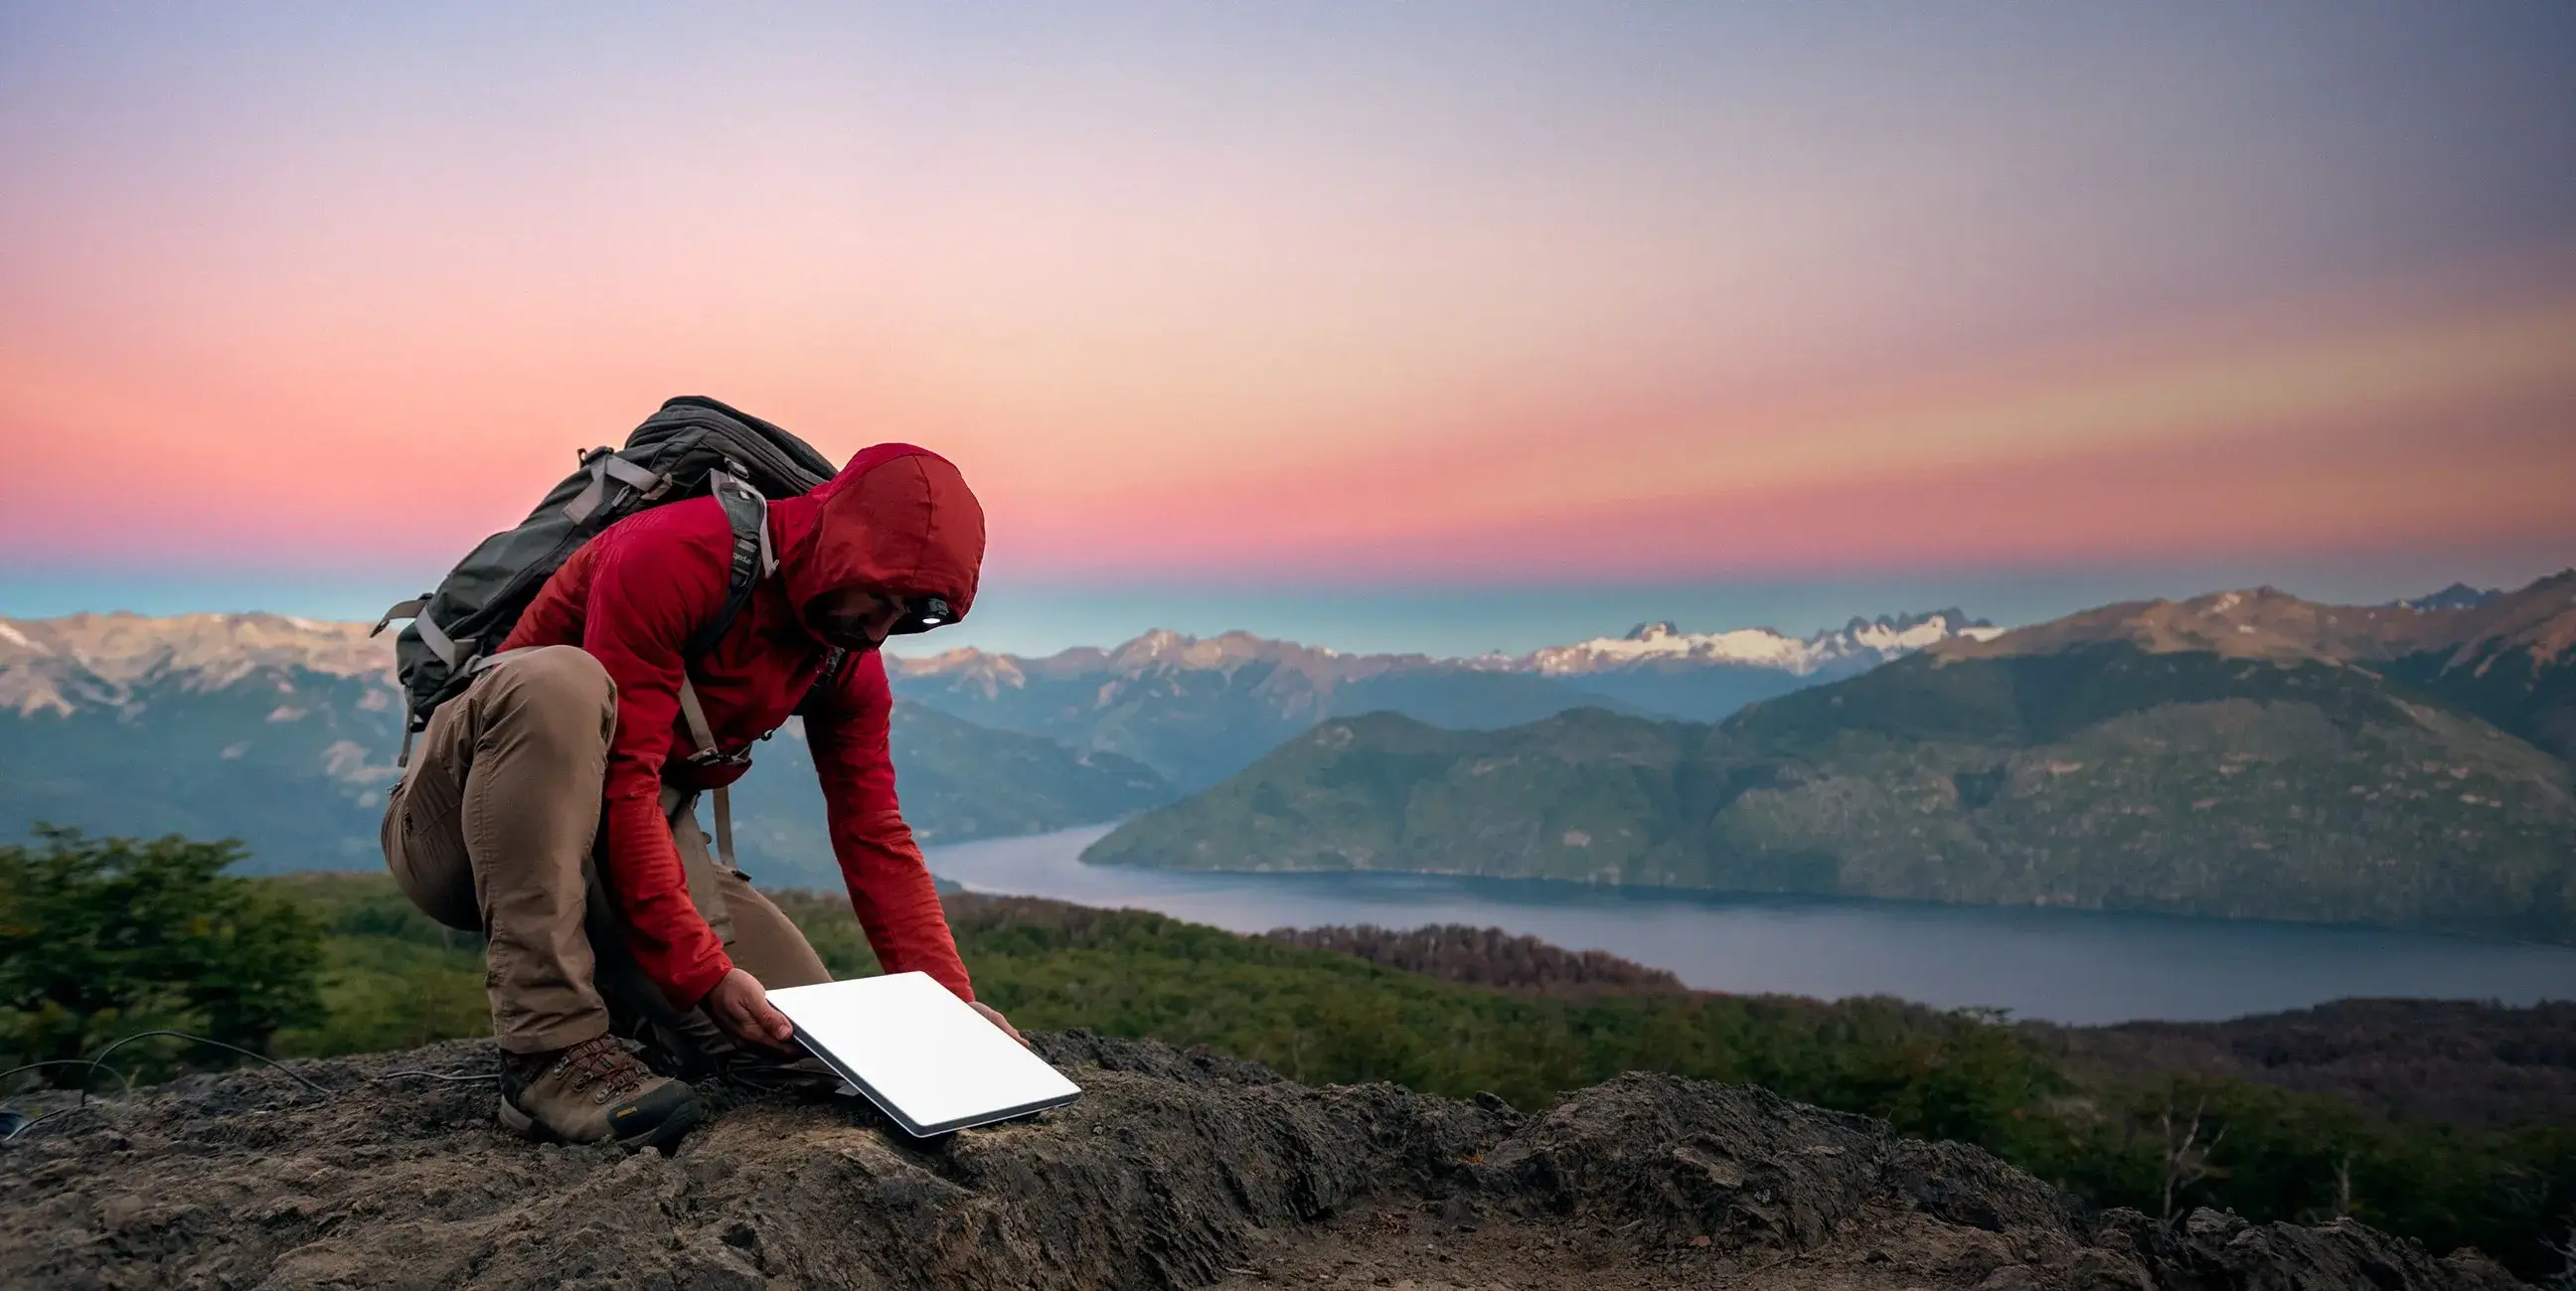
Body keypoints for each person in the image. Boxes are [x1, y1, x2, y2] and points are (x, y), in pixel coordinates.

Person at [378, 443, 1021, 1149]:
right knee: (560, 685)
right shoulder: (674, 554)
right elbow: (622, 785)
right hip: (463, 829)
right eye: (878, 592)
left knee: (807, 1048)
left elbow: (875, 833)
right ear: (841, 544)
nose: (879, 628)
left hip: (621, 843)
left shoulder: (843, 657)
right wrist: (703, 972)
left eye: (907, 613)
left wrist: (950, 1009)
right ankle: (547, 1050)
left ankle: (629, 1012)